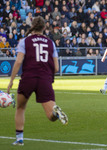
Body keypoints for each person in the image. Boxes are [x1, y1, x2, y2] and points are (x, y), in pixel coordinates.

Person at [7, 16, 68, 146]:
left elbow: (18, 61)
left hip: (28, 78)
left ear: (32, 26)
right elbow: (56, 68)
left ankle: (19, 139)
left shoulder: (24, 41)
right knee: (50, 116)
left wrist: (11, 81)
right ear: (44, 28)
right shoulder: (50, 43)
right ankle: (55, 113)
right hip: (45, 79)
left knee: (20, 107)